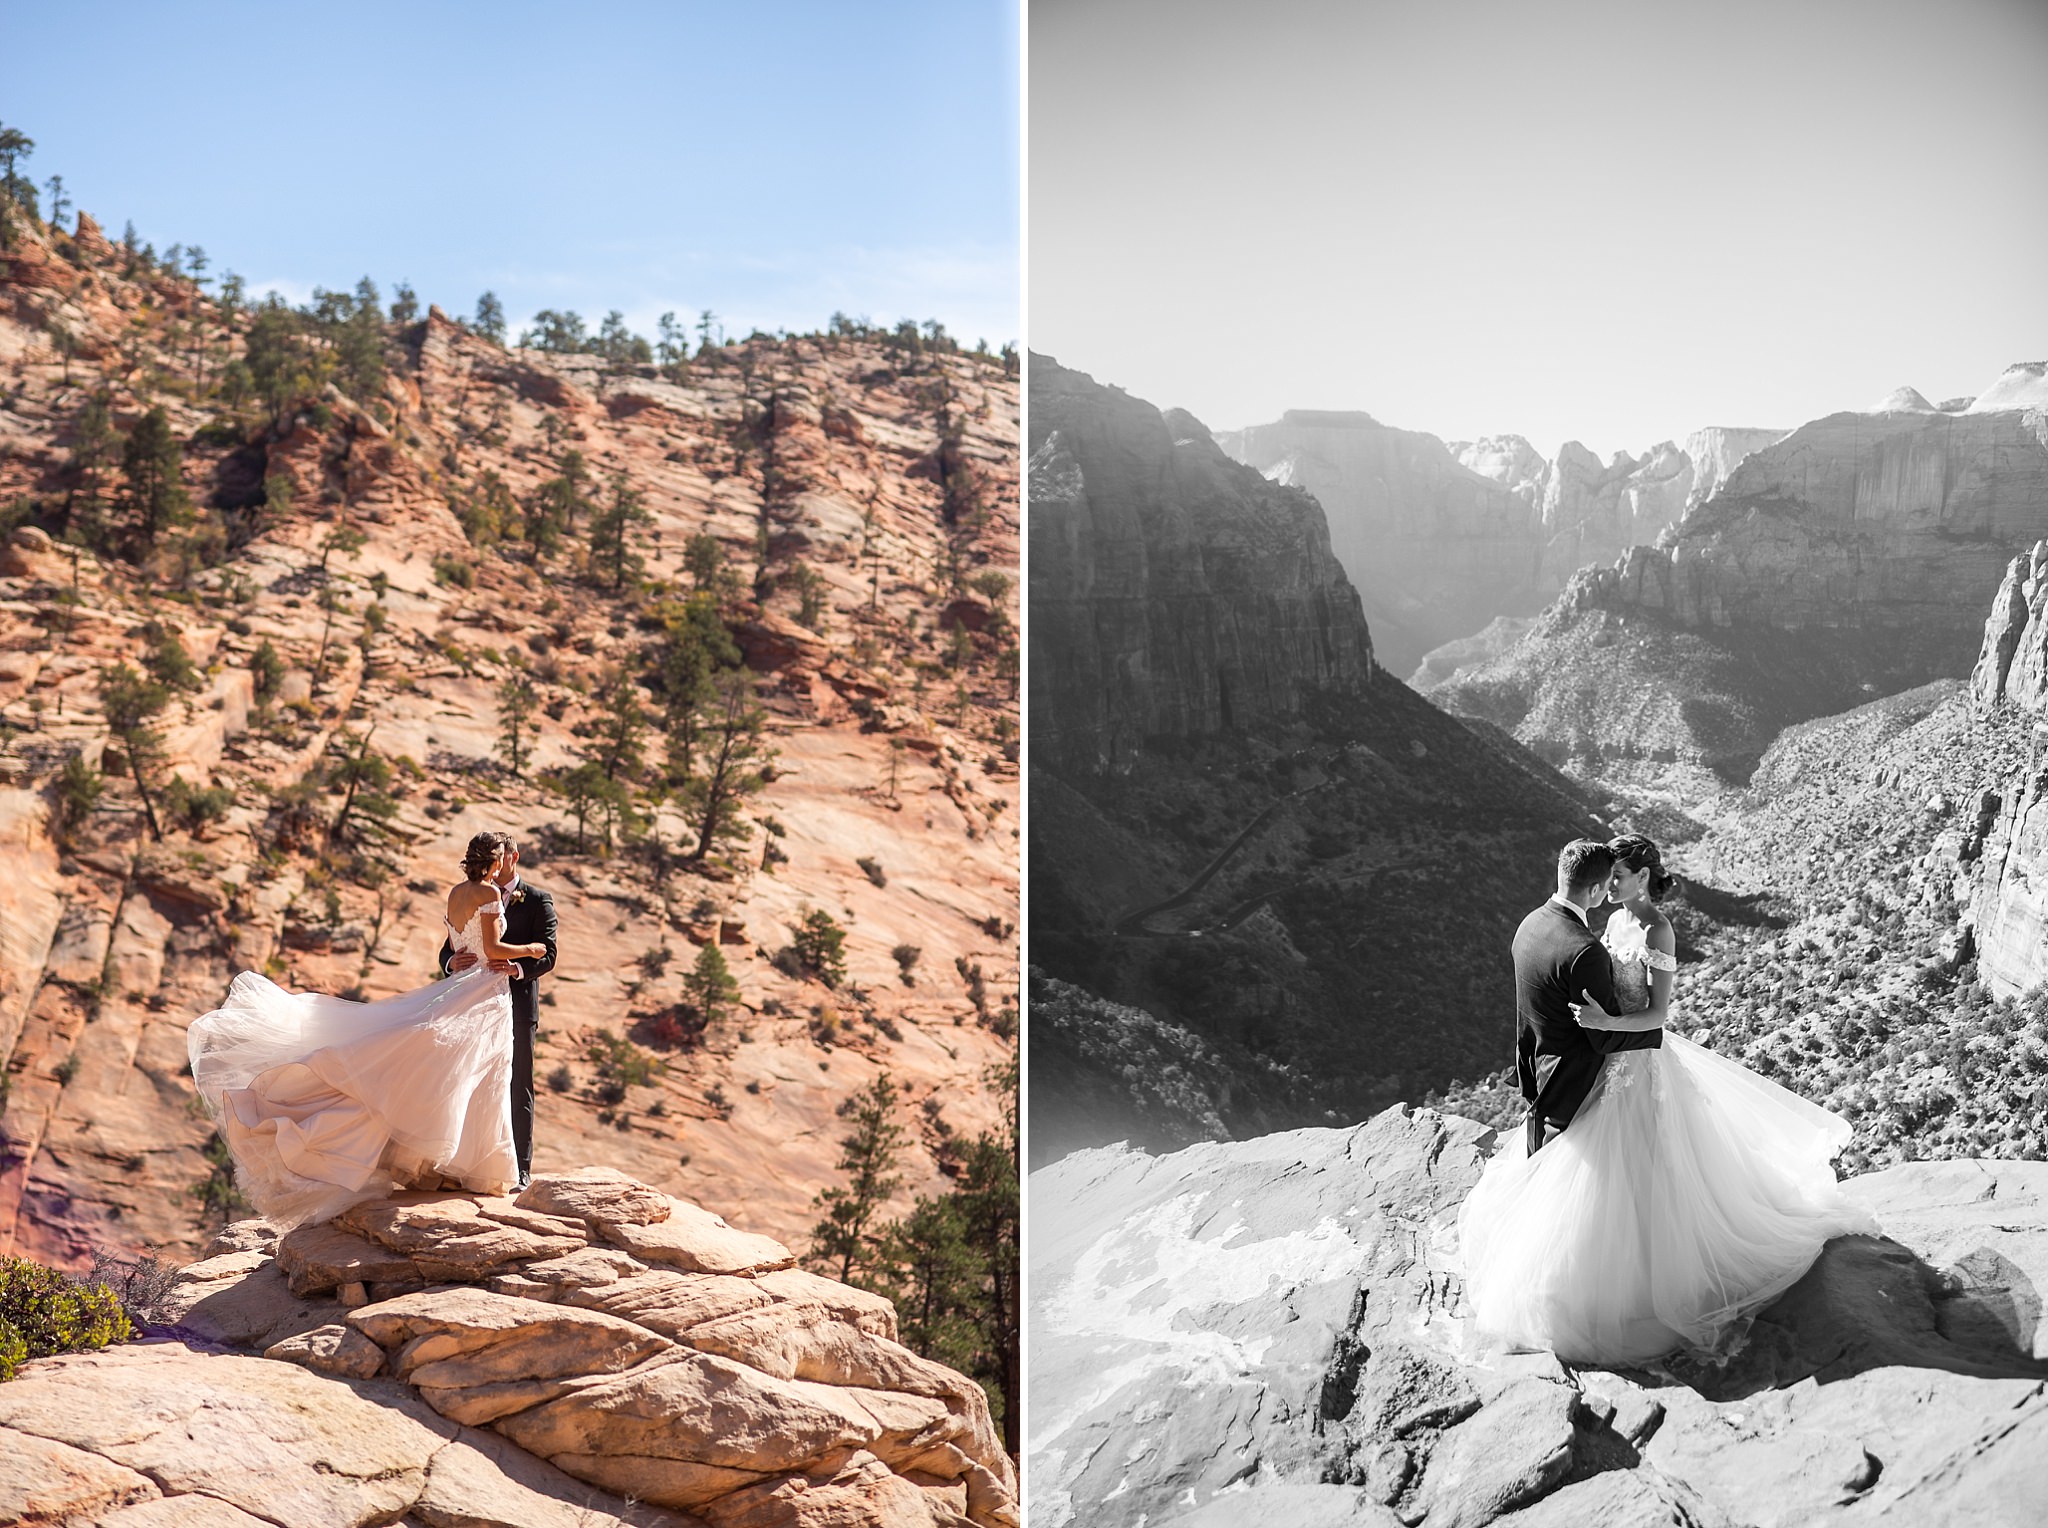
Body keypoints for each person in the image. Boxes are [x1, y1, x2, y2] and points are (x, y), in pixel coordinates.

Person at [1458, 833, 1878, 1364]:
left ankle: (1652, 1282)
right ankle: (1611, 1274)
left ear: (1642, 878)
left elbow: (1657, 1014)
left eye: (1619, 877)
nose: (1610, 886)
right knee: (1612, 1172)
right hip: (1604, 1060)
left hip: (1638, 1060)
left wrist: (1607, 1022)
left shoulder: (1659, 929)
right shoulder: (1608, 924)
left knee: (1648, 1168)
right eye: (1606, 877)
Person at [187, 832, 542, 1227]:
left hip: (466, 989)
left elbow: (463, 941)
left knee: (470, 1076)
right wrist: (530, 950)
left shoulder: (457, 893)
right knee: (480, 1077)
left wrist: (465, 959)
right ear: (496, 861)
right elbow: (491, 951)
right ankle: (478, 1169)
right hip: (481, 993)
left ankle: (463, 1168)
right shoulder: (490, 896)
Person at [437, 831, 556, 1189]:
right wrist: (450, 961)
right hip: (474, 997)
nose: (502, 862)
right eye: (497, 856)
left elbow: (549, 953)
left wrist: (519, 967)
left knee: (517, 1082)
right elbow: (451, 947)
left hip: (515, 1004)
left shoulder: (537, 899)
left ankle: (519, 1168)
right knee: (468, 1079)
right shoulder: (477, 892)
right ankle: (463, 1163)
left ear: (513, 858)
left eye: (507, 856)